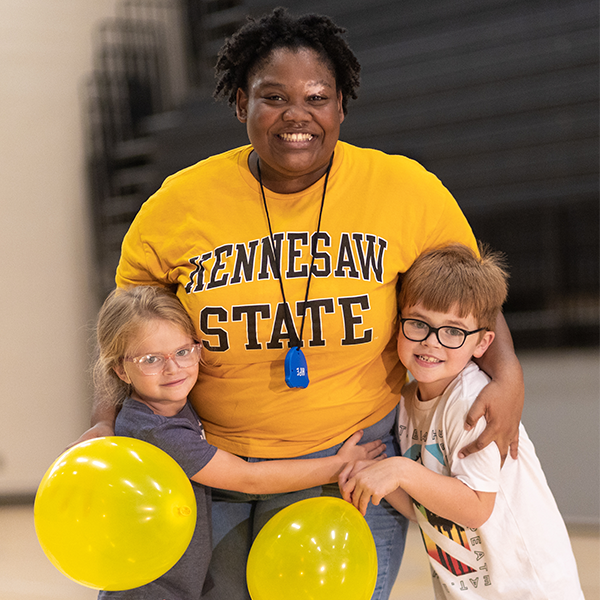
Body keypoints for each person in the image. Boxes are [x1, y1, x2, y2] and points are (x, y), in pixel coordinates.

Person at [76, 9, 525, 600]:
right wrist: (105, 423)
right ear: (240, 104)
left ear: (341, 107)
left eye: (317, 96)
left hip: (348, 458)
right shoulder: (178, 205)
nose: (297, 114)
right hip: (210, 460)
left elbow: (472, 296)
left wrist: (509, 375)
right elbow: (126, 333)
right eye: (273, 96)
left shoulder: (404, 189)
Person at [94, 285, 385, 600]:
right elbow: (249, 478)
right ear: (121, 370)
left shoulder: (161, 405)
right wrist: (340, 465)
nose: (173, 368)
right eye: (151, 359)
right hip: (151, 592)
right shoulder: (155, 431)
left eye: (182, 351)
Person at [339, 244, 584, 599]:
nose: (431, 342)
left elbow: (475, 507)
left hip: (530, 590)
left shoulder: (471, 401)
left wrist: (399, 471)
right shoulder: (407, 402)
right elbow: (426, 511)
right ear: (398, 324)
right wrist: (373, 470)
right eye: (418, 323)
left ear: (483, 342)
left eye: (453, 331)